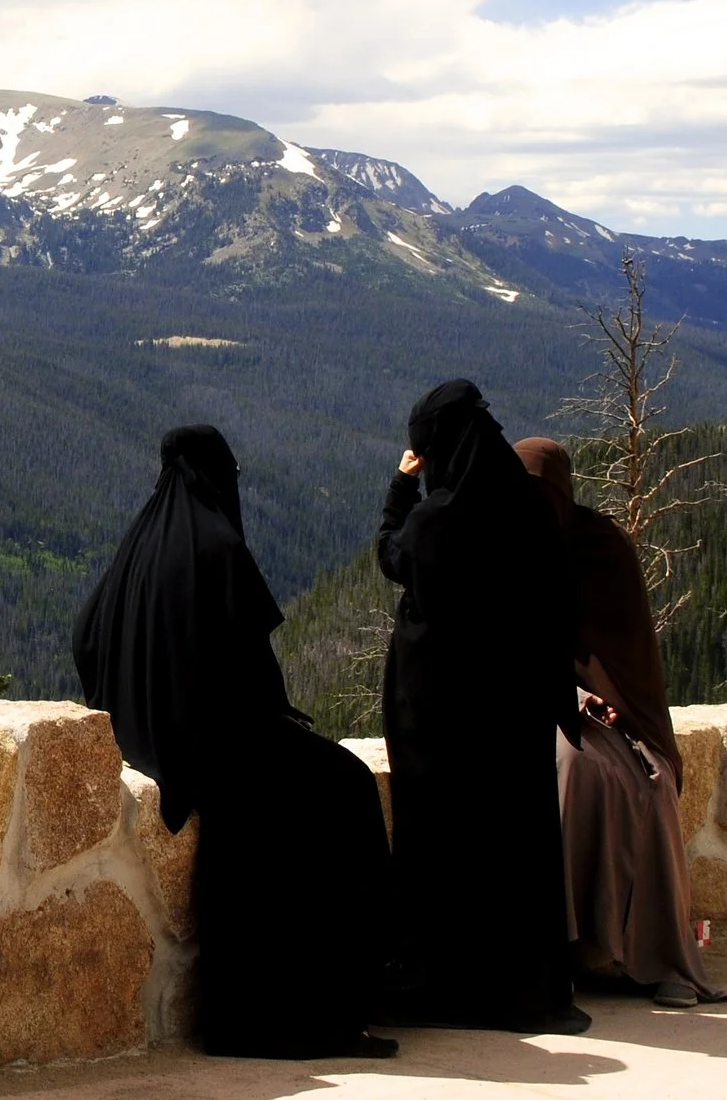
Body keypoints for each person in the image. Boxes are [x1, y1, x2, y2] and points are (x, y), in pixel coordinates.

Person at [74, 425, 398, 1061]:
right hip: (219, 745)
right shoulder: (218, 548)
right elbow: (250, 677)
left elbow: (87, 635)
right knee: (348, 788)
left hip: (149, 740)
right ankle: (332, 1009)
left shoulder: (138, 545)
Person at [375, 381, 588, 1035]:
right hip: (516, 719)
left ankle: (447, 985)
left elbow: (392, 556)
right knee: (515, 848)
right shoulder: (529, 508)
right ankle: (524, 987)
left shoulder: (438, 520)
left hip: (444, 724)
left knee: (446, 848)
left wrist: (397, 491)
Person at [516, 437, 727, 1009]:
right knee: (571, 767)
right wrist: (569, 691)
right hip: (541, 706)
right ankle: (558, 949)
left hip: (622, 716)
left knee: (650, 784)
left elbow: (622, 651)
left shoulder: (602, 547)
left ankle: (659, 956)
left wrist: (599, 695)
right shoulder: (509, 548)